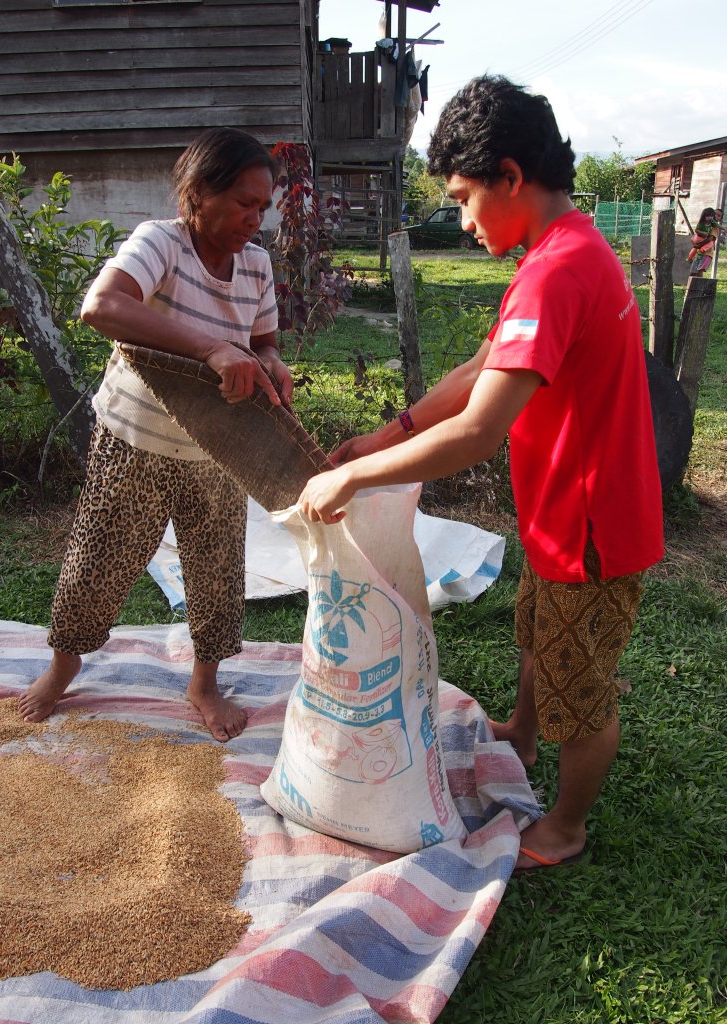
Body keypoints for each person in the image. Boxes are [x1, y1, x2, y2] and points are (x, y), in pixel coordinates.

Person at [298, 75, 664, 873]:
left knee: (581, 684)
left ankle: (564, 827)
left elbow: (477, 430)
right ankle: (522, 736)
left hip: (590, 525)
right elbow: (478, 368)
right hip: (562, 513)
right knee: (538, 634)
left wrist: (353, 481)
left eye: (465, 198)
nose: (462, 221)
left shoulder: (559, 269)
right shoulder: (558, 254)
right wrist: (380, 436)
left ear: (510, 175)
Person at [19, 126, 293, 742]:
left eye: (263, 205)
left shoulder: (255, 264)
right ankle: (63, 667)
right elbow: (102, 307)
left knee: (218, 570)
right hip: (135, 438)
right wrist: (215, 349)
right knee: (100, 562)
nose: (256, 217)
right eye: (244, 203)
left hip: (219, 447)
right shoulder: (161, 244)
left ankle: (204, 683)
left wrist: (269, 361)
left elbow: (264, 341)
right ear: (198, 193)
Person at [687, 207, 718, 276]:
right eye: (715, 215)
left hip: (707, 253)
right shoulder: (702, 225)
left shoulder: (714, 228)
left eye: (718, 215)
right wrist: (695, 243)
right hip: (698, 253)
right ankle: (692, 286)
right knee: (693, 272)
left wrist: (698, 245)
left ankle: (697, 286)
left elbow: (710, 239)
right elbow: (694, 237)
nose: (715, 217)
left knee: (699, 271)